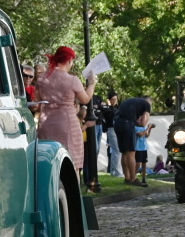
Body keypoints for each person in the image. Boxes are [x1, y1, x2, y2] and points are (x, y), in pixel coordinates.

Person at [34, 46, 98, 185]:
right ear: (68, 60)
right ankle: (73, 200)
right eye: (72, 61)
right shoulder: (72, 80)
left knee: (49, 162)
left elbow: (37, 102)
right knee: (72, 162)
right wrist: (92, 83)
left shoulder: (42, 79)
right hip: (67, 123)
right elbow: (85, 99)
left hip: (46, 123)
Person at [113, 95, 152, 186]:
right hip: (127, 124)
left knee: (124, 152)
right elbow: (143, 124)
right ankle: (133, 179)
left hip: (117, 123)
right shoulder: (146, 104)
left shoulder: (132, 102)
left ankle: (127, 178)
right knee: (131, 152)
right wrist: (145, 122)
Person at [103, 93, 122, 177]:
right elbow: (109, 115)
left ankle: (113, 171)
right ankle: (117, 171)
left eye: (116, 99)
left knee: (116, 151)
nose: (114, 101)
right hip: (111, 129)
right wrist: (108, 105)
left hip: (117, 129)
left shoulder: (118, 108)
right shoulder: (108, 109)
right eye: (113, 99)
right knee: (117, 150)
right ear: (109, 100)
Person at [134, 117, 154, 183]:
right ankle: (133, 176)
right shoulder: (135, 128)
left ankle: (144, 178)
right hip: (138, 148)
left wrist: (150, 129)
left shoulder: (143, 128)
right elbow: (141, 134)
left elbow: (147, 135)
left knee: (144, 163)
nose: (140, 120)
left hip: (144, 147)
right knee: (138, 163)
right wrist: (147, 128)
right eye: (139, 119)